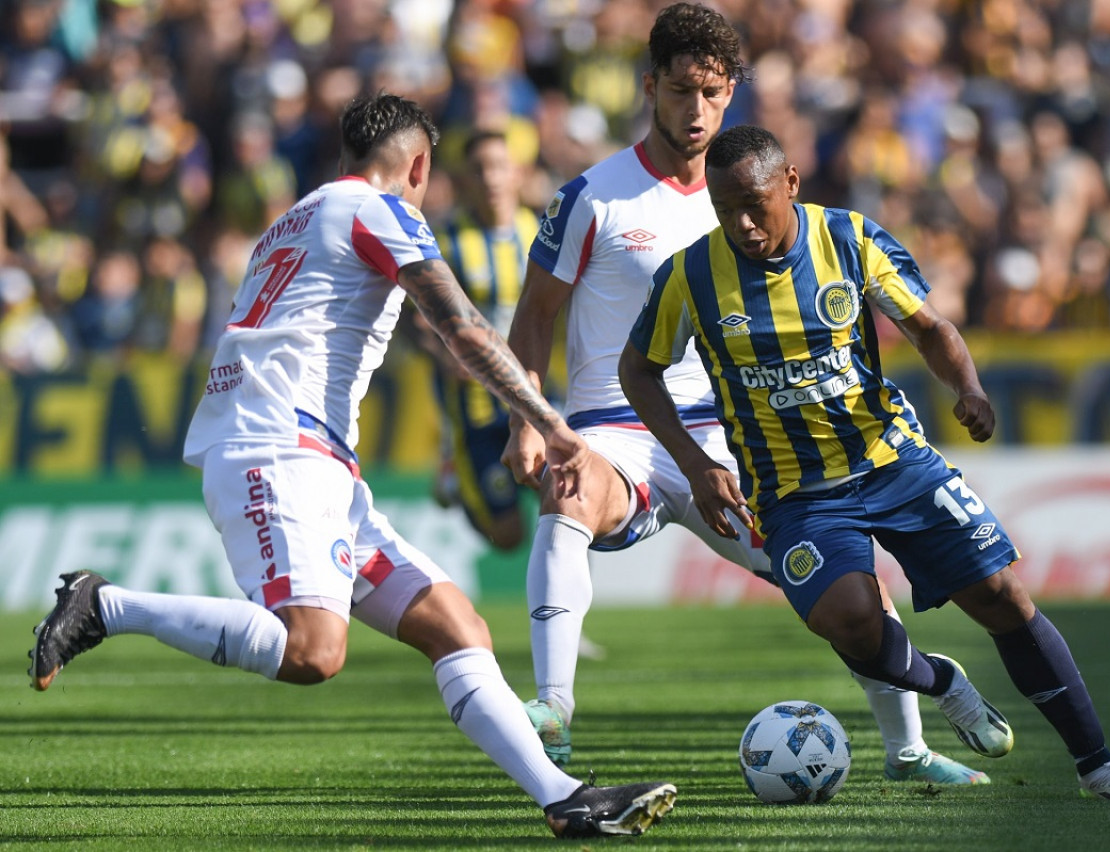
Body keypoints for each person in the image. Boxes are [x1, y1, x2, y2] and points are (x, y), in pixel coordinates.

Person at [27, 92, 676, 840]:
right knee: (311, 649)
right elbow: (461, 325)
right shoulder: (383, 211)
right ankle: (106, 605)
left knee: (453, 623)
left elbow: (385, 333)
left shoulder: (295, 218)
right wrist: (547, 420)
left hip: (313, 459)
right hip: (276, 447)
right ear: (419, 166)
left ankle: (565, 797)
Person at [502, 2, 989, 786]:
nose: (695, 110)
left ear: (732, 93)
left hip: (741, 441)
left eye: (713, 92)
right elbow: (533, 317)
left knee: (848, 590)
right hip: (617, 431)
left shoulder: (752, 195)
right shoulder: (591, 197)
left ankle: (908, 749)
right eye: (680, 91)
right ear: (649, 84)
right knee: (567, 490)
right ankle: (554, 710)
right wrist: (531, 420)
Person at [619, 124, 1110, 802]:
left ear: (790, 182)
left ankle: (1100, 765)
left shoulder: (848, 239)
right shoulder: (691, 275)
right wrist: (697, 463)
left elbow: (930, 328)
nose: (742, 224)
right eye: (723, 207)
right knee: (846, 618)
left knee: (1002, 597)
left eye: (754, 204)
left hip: (893, 461)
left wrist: (966, 387)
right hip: (796, 491)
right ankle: (943, 683)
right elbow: (638, 371)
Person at [410, 129, 541, 550]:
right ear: (463, 179)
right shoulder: (445, 243)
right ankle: (456, 475)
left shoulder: (540, 233)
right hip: (476, 406)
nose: (491, 178)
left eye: (499, 166)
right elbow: (413, 321)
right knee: (507, 536)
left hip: (537, 391)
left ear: (517, 173)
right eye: (479, 169)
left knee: (568, 494)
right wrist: (444, 353)